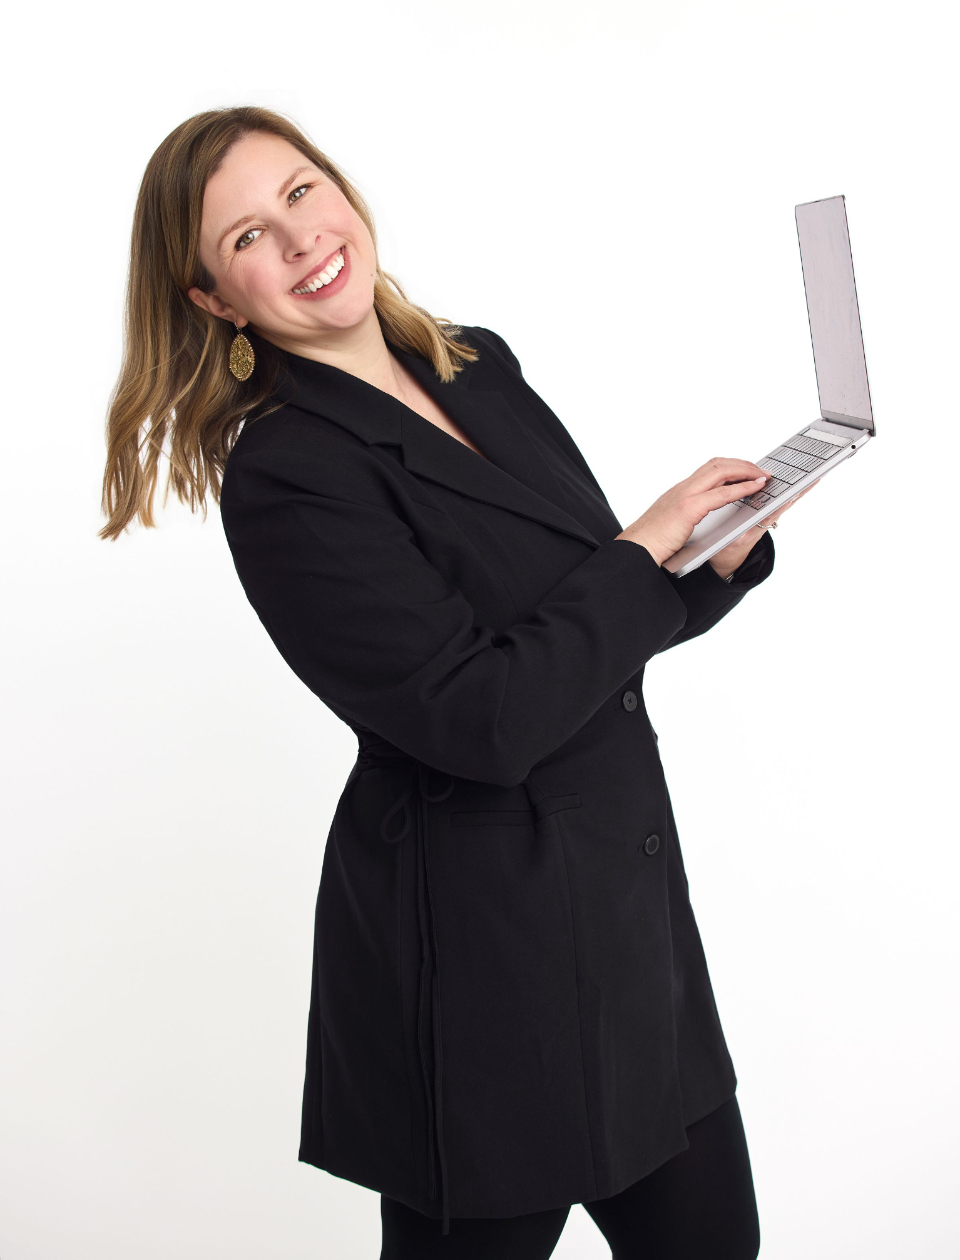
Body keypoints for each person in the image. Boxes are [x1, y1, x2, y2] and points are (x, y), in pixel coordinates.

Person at [102, 106, 805, 1259]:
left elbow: (580, 633)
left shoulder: (473, 364)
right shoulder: (287, 475)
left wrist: (713, 557)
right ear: (215, 301)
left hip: (629, 931)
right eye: (246, 238)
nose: (300, 237)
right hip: (483, 976)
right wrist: (640, 550)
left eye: (300, 191)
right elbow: (485, 719)